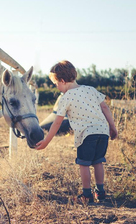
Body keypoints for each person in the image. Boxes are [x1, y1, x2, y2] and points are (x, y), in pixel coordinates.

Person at [35, 60, 118, 204]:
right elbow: (105, 108)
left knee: (84, 164)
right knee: (98, 162)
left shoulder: (66, 97)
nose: (57, 87)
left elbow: (57, 122)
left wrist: (46, 141)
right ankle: (100, 192)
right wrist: (112, 127)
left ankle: (87, 195)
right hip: (102, 131)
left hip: (86, 134)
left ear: (62, 80)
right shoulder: (91, 89)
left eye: (56, 84)